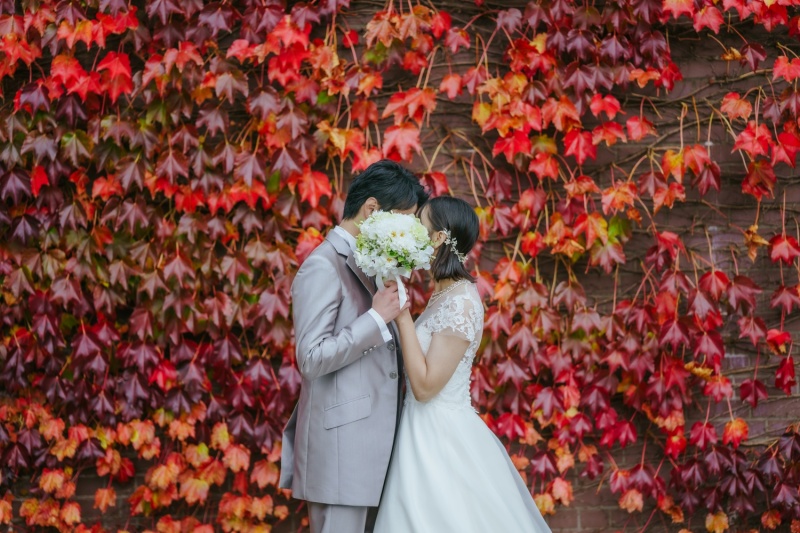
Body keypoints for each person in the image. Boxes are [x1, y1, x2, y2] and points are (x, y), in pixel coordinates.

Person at [374, 196, 552, 533]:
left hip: (440, 440)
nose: (411, 232)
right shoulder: (440, 295)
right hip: (416, 432)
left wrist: (402, 315)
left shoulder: (461, 303)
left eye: (418, 225)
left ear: (438, 238)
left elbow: (426, 387)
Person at [279, 159, 429, 533]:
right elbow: (311, 359)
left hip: (378, 453)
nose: (410, 230)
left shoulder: (371, 263)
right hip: (342, 454)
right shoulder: (322, 266)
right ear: (372, 209)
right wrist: (376, 319)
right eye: (405, 218)